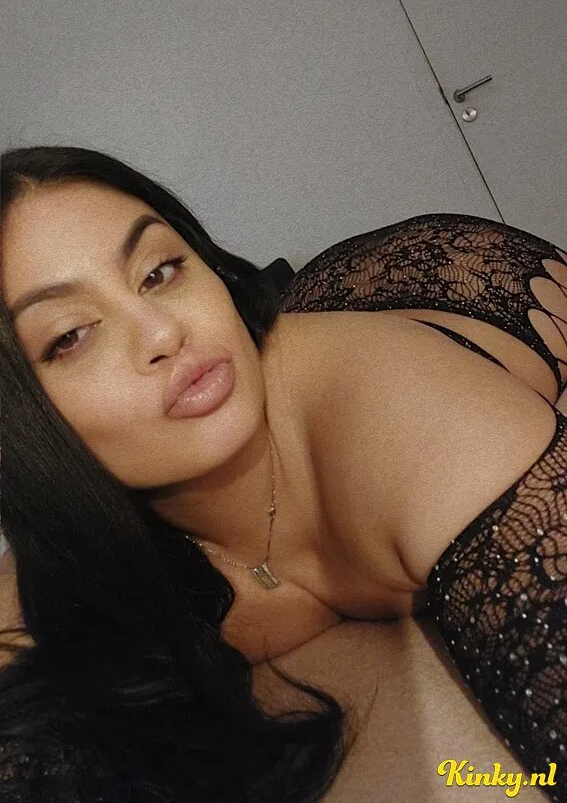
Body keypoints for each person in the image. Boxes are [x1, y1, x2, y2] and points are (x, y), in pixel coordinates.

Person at [0, 144, 565, 802]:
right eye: (70, 335)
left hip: (459, 281)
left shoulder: (419, 423)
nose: (162, 333)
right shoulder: (67, 569)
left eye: (159, 271)